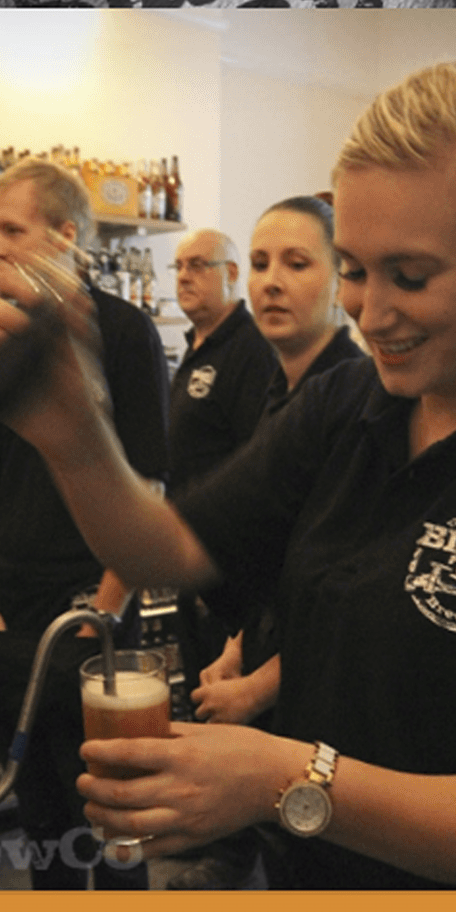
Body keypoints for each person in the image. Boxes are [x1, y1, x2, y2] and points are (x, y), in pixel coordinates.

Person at [0, 62, 456, 891]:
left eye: (409, 276)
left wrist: (286, 780)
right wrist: (74, 439)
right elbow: (168, 548)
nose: (368, 311)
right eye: (352, 267)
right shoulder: (349, 403)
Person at [0, 158, 168, 888]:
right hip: (7, 615)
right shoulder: (5, 341)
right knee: (40, 815)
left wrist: (105, 609)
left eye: (11, 229)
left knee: (111, 822)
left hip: (88, 618)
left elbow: (148, 479)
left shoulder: (124, 332)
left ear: (66, 235)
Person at [192, 195, 367, 734]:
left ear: (341, 282)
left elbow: (356, 600)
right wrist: (236, 647)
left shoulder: (356, 401)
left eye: (296, 263)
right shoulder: (277, 392)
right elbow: (276, 559)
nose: (271, 281)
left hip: (326, 703)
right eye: (260, 263)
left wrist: (257, 690)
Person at [166, 227, 279, 702]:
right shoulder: (194, 348)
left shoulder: (251, 351)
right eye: (179, 267)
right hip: (192, 574)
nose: (185, 276)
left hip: (232, 592)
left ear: (231, 275)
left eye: (198, 265)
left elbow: (255, 471)